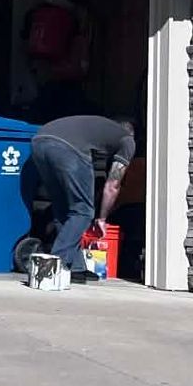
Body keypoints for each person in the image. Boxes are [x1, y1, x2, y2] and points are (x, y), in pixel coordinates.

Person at [26, 115, 136, 282]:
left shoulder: (99, 128)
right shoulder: (128, 140)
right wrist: (102, 218)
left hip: (39, 141)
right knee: (83, 210)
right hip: (67, 148)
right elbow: (112, 185)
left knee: (63, 209)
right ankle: (53, 265)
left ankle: (75, 267)